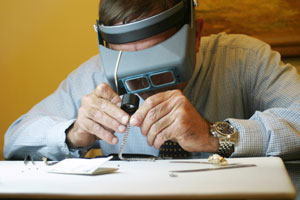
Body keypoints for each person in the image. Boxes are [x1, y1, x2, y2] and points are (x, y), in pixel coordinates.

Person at [4, 0, 300, 161]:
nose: (146, 82)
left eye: (160, 64)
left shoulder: (244, 58)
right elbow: (14, 140)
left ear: (195, 35)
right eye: (129, 65)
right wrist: (73, 134)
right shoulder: (94, 75)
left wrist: (214, 135)